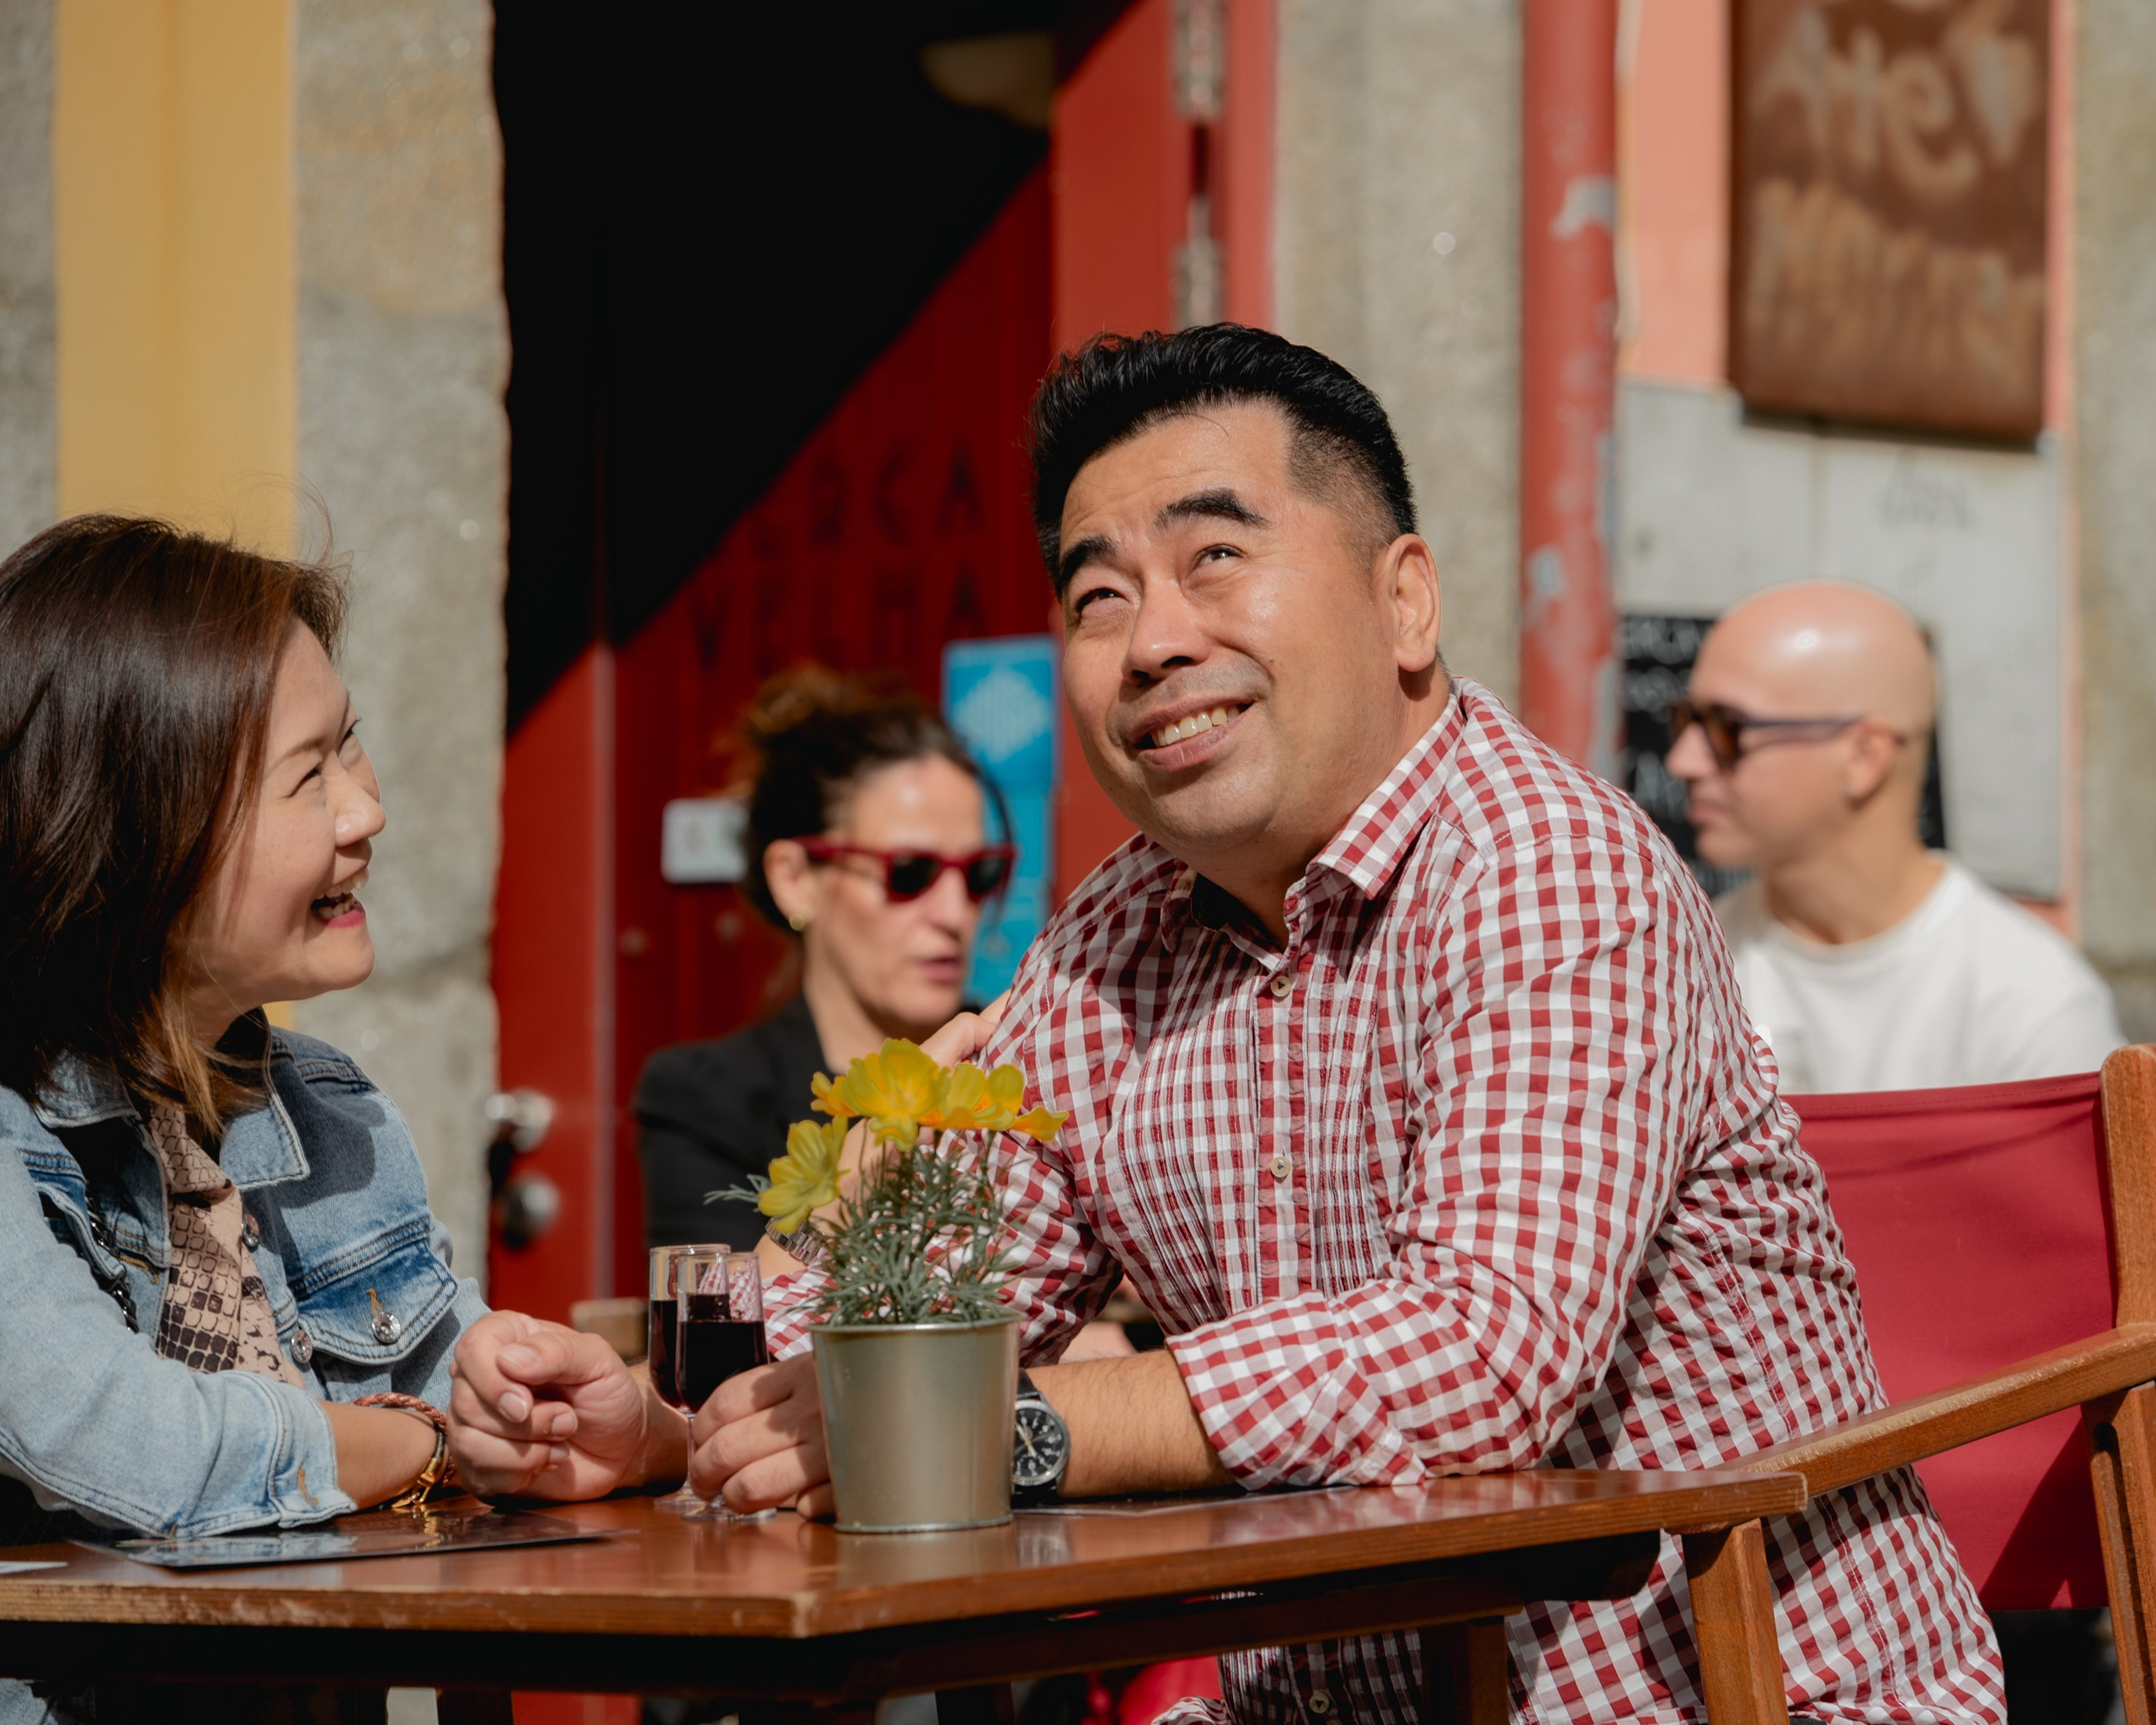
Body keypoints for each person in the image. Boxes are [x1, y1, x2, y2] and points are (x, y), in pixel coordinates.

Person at [448, 327, 2006, 1723]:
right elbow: (944, 1275)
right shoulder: (1119, 931)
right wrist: (663, 1420)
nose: (1152, 641)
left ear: (1405, 598)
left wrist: (1009, 1424)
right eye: (1097, 594)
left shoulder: (1548, 868)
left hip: (1725, 1692)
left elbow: (1483, 1351)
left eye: (1214, 562)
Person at [0, 516, 492, 1724]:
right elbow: (127, 1448)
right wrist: (427, 1448)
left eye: (353, 747)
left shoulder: (323, 1108)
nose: (365, 811)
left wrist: (567, 1408)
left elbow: (485, 1412)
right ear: (136, 830)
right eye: (307, 773)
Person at [1666, 580, 2121, 1093]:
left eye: (1727, 728)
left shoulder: (2033, 1007)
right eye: (1684, 721)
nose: (1682, 760)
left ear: (1864, 757)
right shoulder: (1685, 972)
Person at [634, 666, 1013, 1252]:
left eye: (980, 873)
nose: (954, 911)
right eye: (909, 872)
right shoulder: (708, 1098)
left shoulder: (1018, 1061)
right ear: (795, 879)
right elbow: (720, 1327)